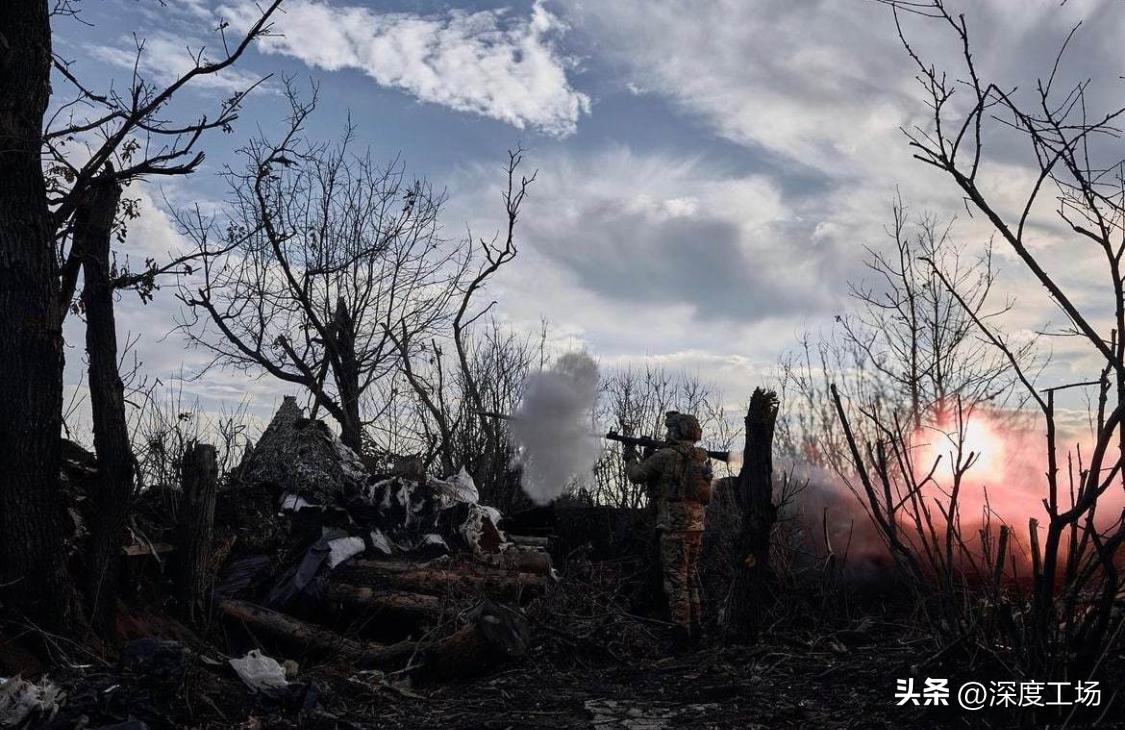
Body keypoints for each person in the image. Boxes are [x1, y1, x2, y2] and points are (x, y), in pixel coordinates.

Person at [623, 411, 712, 645]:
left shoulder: (666, 456)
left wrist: (630, 455)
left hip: (674, 527)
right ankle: (697, 629)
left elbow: (636, 475)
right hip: (696, 526)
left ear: (675, 431)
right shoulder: (699, 457)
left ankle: (681, 635)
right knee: (690, 578)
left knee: (676, 581)